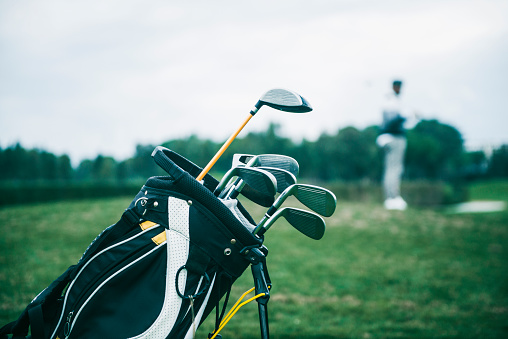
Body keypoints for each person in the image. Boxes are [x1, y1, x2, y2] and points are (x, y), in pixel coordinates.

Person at [377, 80, 416, 210]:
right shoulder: (392, 100)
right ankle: (392, 198)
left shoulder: (389, 99)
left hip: (389, 137)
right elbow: (393, 120)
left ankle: (392, 197)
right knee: (394, 169)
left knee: (391, 168)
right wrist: (406, 116)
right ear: (395, 87)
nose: (399, 88)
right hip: (394, 137)